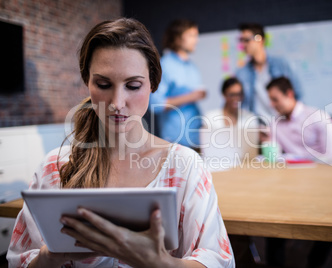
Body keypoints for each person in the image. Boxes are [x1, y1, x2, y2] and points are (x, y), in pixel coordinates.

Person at [7, 18, 234, 268]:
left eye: (133, 85)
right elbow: (20, 261)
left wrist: (160, 262)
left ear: (153, 84)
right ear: (87, 81)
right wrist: (50, 257)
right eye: (103, 84)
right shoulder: (55, 167)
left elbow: (218, 260)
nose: (117, 102)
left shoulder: (184, 167)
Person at [149, 19, 206, 151]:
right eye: (191, 35)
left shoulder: (192, 67)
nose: (196, 40)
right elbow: (155, 105)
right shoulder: (165, 65)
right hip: (176, 142)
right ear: (177, 38)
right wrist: (192, 96)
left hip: (196, 139)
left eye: (196, 36)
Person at [261, 76, 332, 161]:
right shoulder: (275, 124)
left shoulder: (318, 117)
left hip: (321, 170)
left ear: (289, 94)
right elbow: (273, 157)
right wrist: (266, 139)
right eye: (270, 100)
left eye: (275, 99)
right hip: (292, 171)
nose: (271, 105)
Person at [236, 23, 302, 122]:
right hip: (259, 127)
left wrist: (297, 121)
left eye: (246, 40)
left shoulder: (281, 64)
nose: (243, 45)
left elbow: (298, 94)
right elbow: (242, 105)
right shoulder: (242, 73)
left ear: (259, 39)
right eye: (241, 40)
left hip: (284, 122)